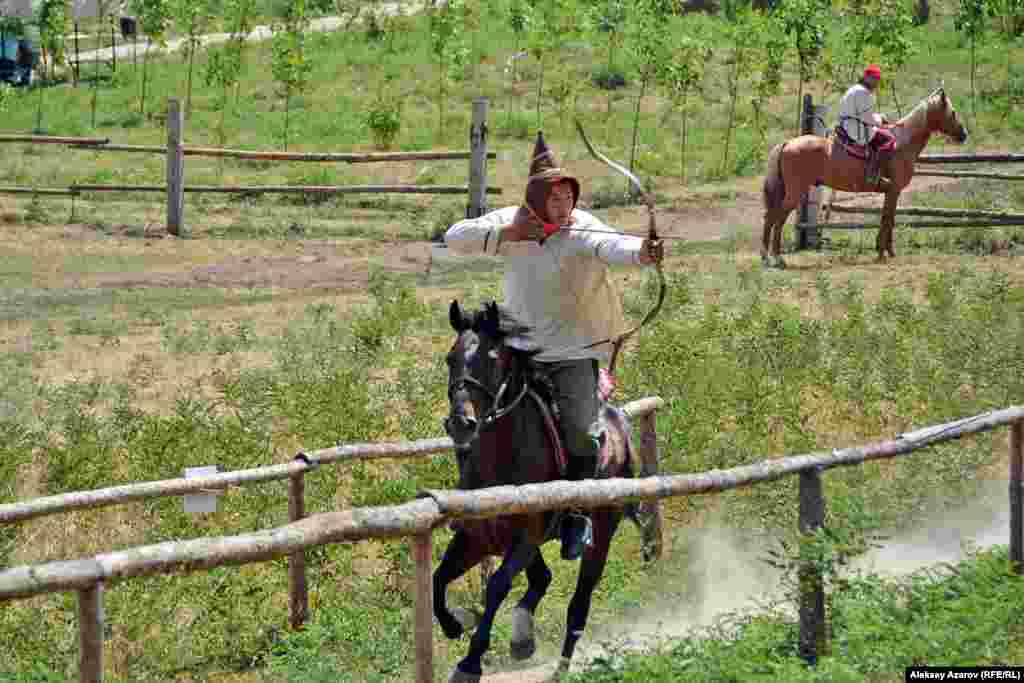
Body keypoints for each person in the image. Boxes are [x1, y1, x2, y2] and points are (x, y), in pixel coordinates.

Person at [444, 131, 663, 561]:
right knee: (470, 414)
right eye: (556, 199)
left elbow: (611, 245)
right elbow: (454, 237)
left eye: (569, 197)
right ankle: (469, 506)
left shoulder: (581, 229)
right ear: (537, 198)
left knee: (583, 434)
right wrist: (508, 233)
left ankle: (578, 516)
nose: (565, 207)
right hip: (517, 352)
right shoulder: (513, 222)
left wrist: (643, 252)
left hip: (569, 355)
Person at [837, 64, 896, 187]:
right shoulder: (863, 92)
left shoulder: (856, 89)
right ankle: (873, 174)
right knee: (888, 139)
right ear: (866, 77)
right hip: (855, 127)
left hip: (850, 124)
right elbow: (867, 118)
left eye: (877, 79)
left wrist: (877, 118)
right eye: (873, 78)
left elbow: (864, 114)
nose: (876, 82)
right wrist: (881, 119)